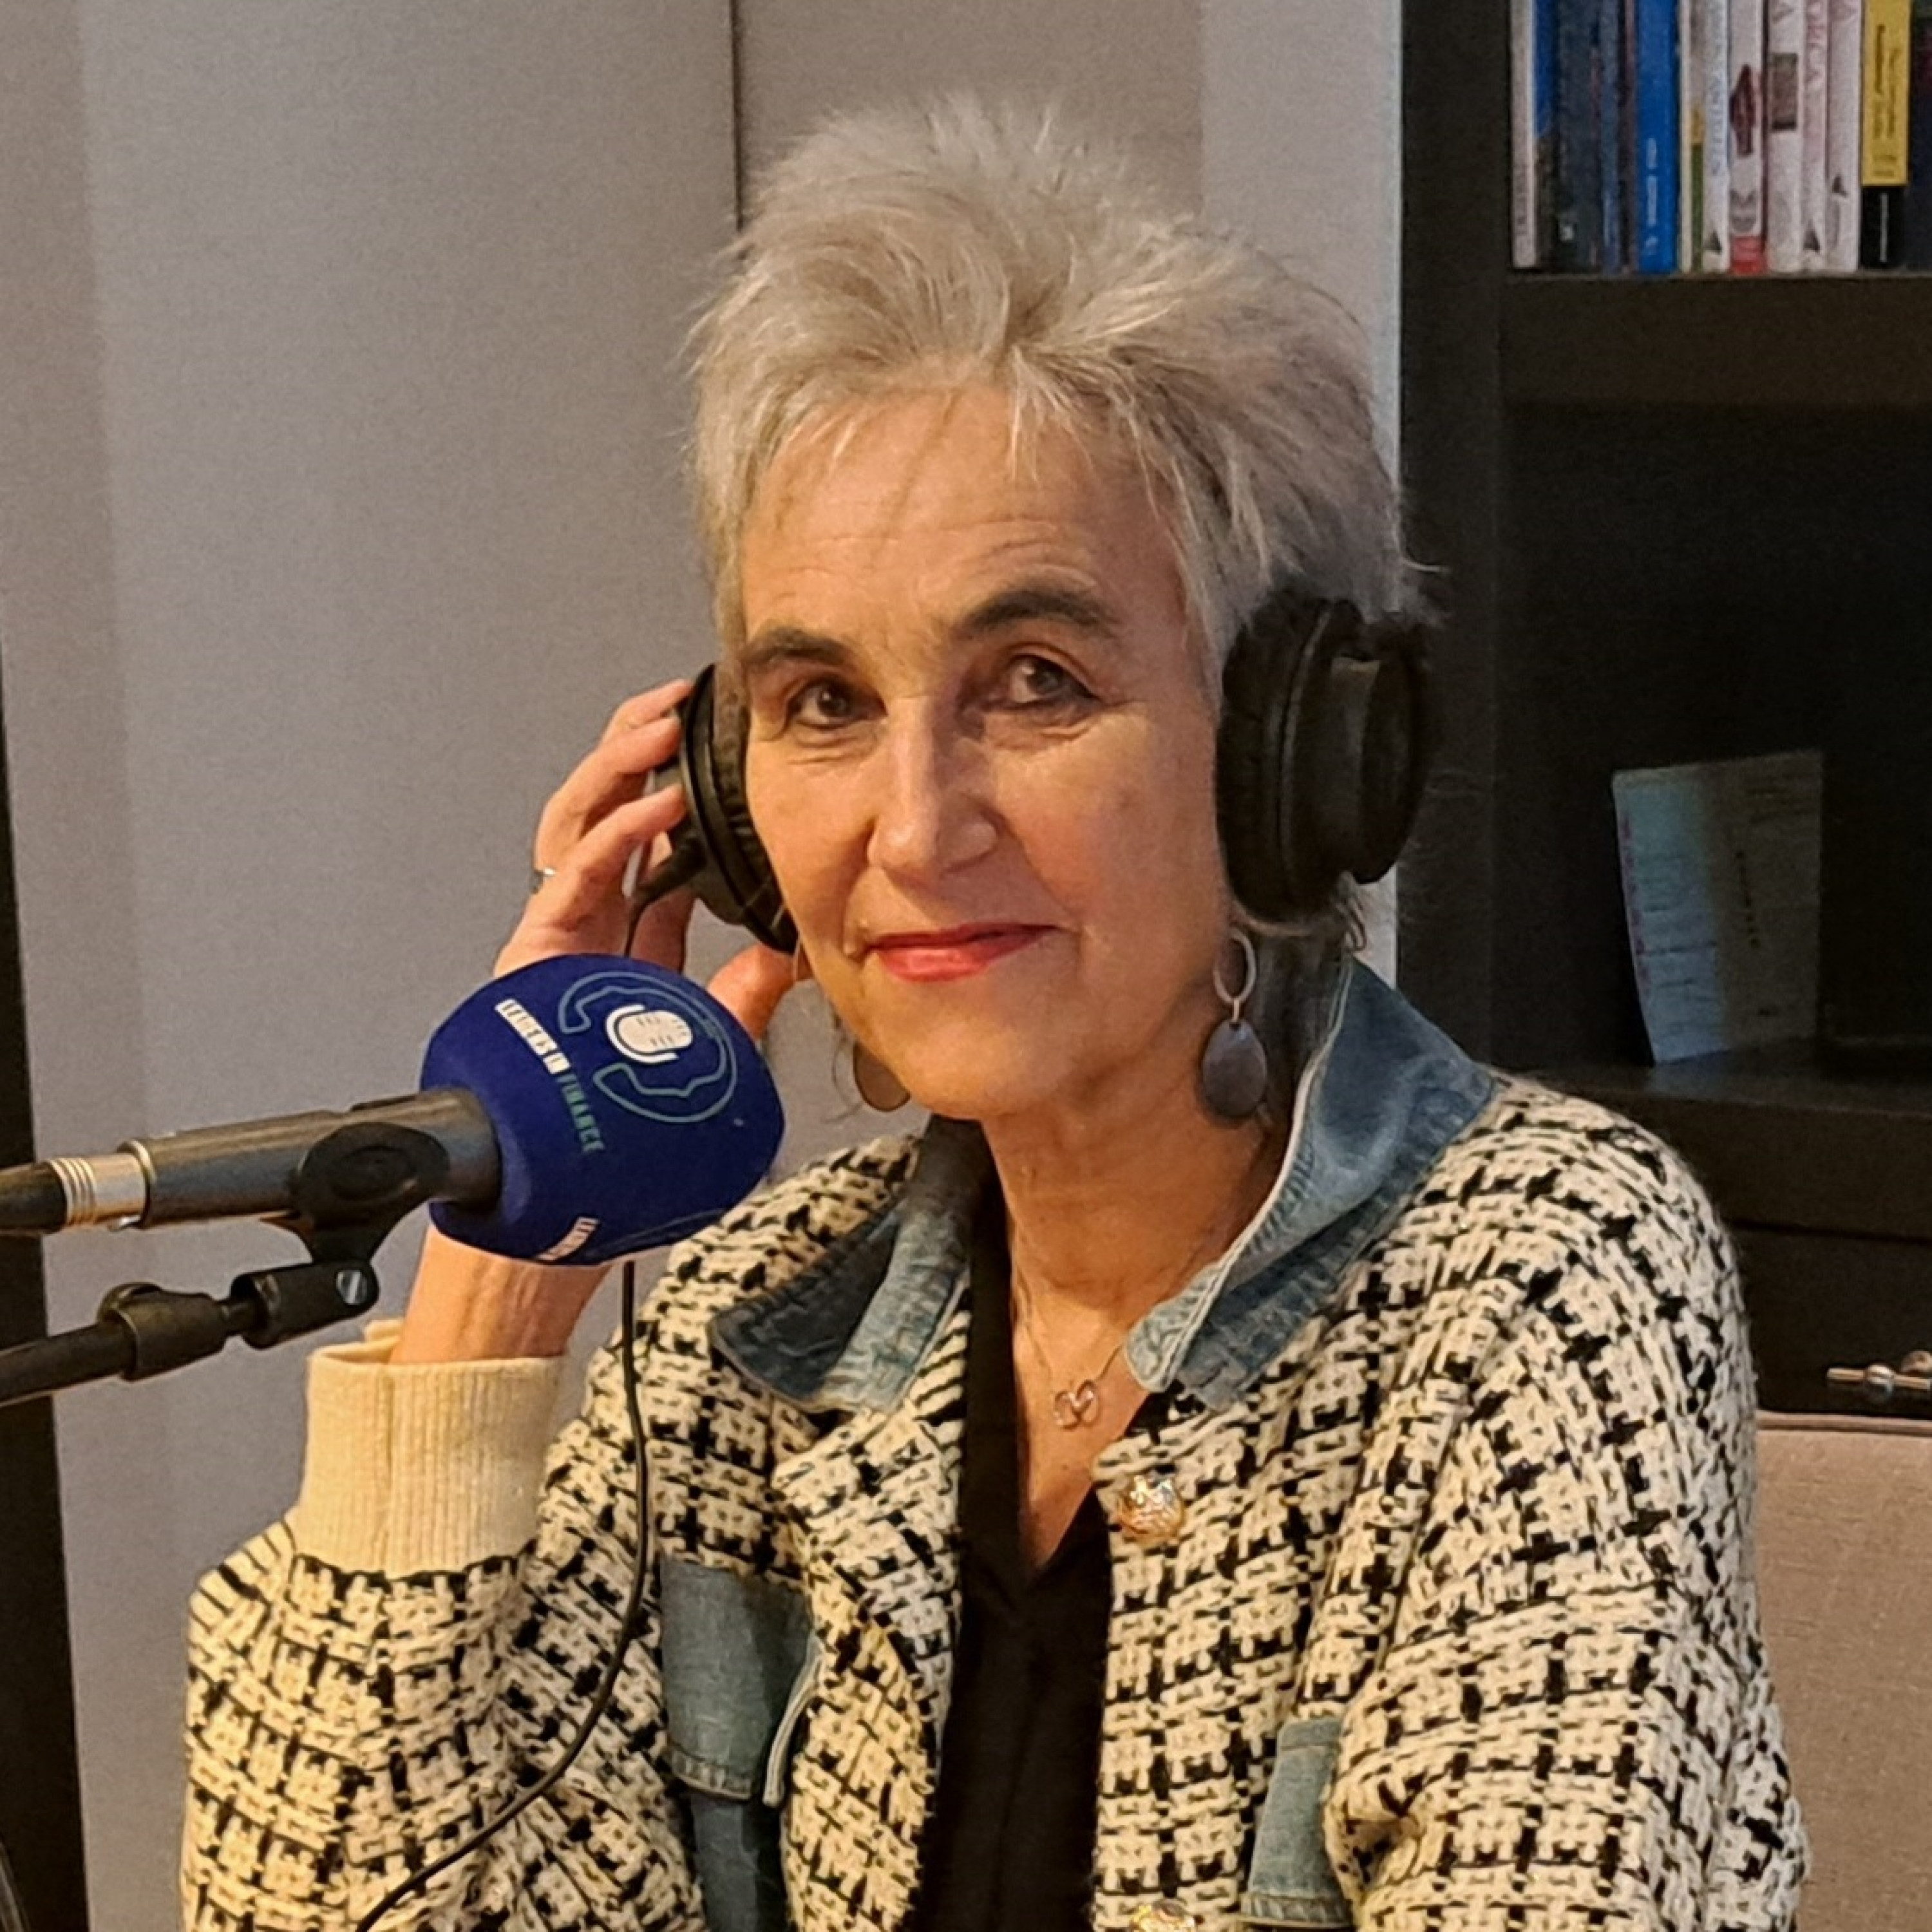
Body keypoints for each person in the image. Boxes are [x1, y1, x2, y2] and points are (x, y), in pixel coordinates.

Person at [182, 100, 1803, 1932]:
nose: (913, 828)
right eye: (822, 703)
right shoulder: (756, 1328)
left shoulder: (1538, 1280)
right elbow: (339, 1897)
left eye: (1035, 683)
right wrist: (521, 1222)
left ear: (1298, 758)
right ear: (722, 810)